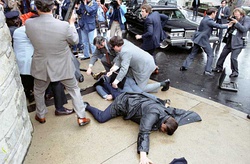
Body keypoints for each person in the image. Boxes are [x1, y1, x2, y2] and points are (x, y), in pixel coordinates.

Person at [85, 92, 201, 164]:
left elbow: (177, 112)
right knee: (101, 118)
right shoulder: (152, 116)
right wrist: (143, 156)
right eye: (164, 129)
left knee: (117, 93)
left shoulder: (167, 113)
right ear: (164, 123)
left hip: (134, 99)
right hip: (122, 104)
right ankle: (87, 106)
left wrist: (194, 116)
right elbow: (144, 132)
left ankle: (111, 91)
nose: (162, 131)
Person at [25, 0, 90, 126]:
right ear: (53, 7)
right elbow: (75, 40)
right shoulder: (63, 26)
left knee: (38, 91)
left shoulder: (29, 24)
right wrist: (71, 23)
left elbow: (31, 37)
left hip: (41, 65)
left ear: (37, 8)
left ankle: (41, 115)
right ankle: (81, 117)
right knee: (74, 90)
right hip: (62, 66)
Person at [180, 8, 230, 76]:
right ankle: (207, 71)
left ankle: (184, 66)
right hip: (203, 39)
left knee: (193, 54)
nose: (216, 15)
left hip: (198, 38)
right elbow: (218, 26)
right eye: (215, 13)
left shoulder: (205, 18)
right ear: (212, 13)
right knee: (211, 55)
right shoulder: (209, 21)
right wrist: (228, 25)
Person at [212, 8, 250, 78]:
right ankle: (218, 68)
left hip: (238, 42)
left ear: (241, 13)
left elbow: (244, 29)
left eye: (237, 13)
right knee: (222, 55)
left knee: (233, 58)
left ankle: (235, 72)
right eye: (234, 13)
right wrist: (230, 23)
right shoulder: (234, 18)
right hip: (230, 41)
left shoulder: (246, 19)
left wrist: (236, 23)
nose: (235, 15)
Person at [135, 4, 168, 74]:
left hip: (151, 41)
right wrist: (159, 28)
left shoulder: (148, 19)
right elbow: (166, 17)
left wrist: (140, 36)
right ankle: (155, 68)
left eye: (143, 11)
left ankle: (141, 69)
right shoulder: (156, 14)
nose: (141, 13)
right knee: (150, 54)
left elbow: (150, 32)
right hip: (156, 39)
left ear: (147, 12)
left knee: (141, 53)